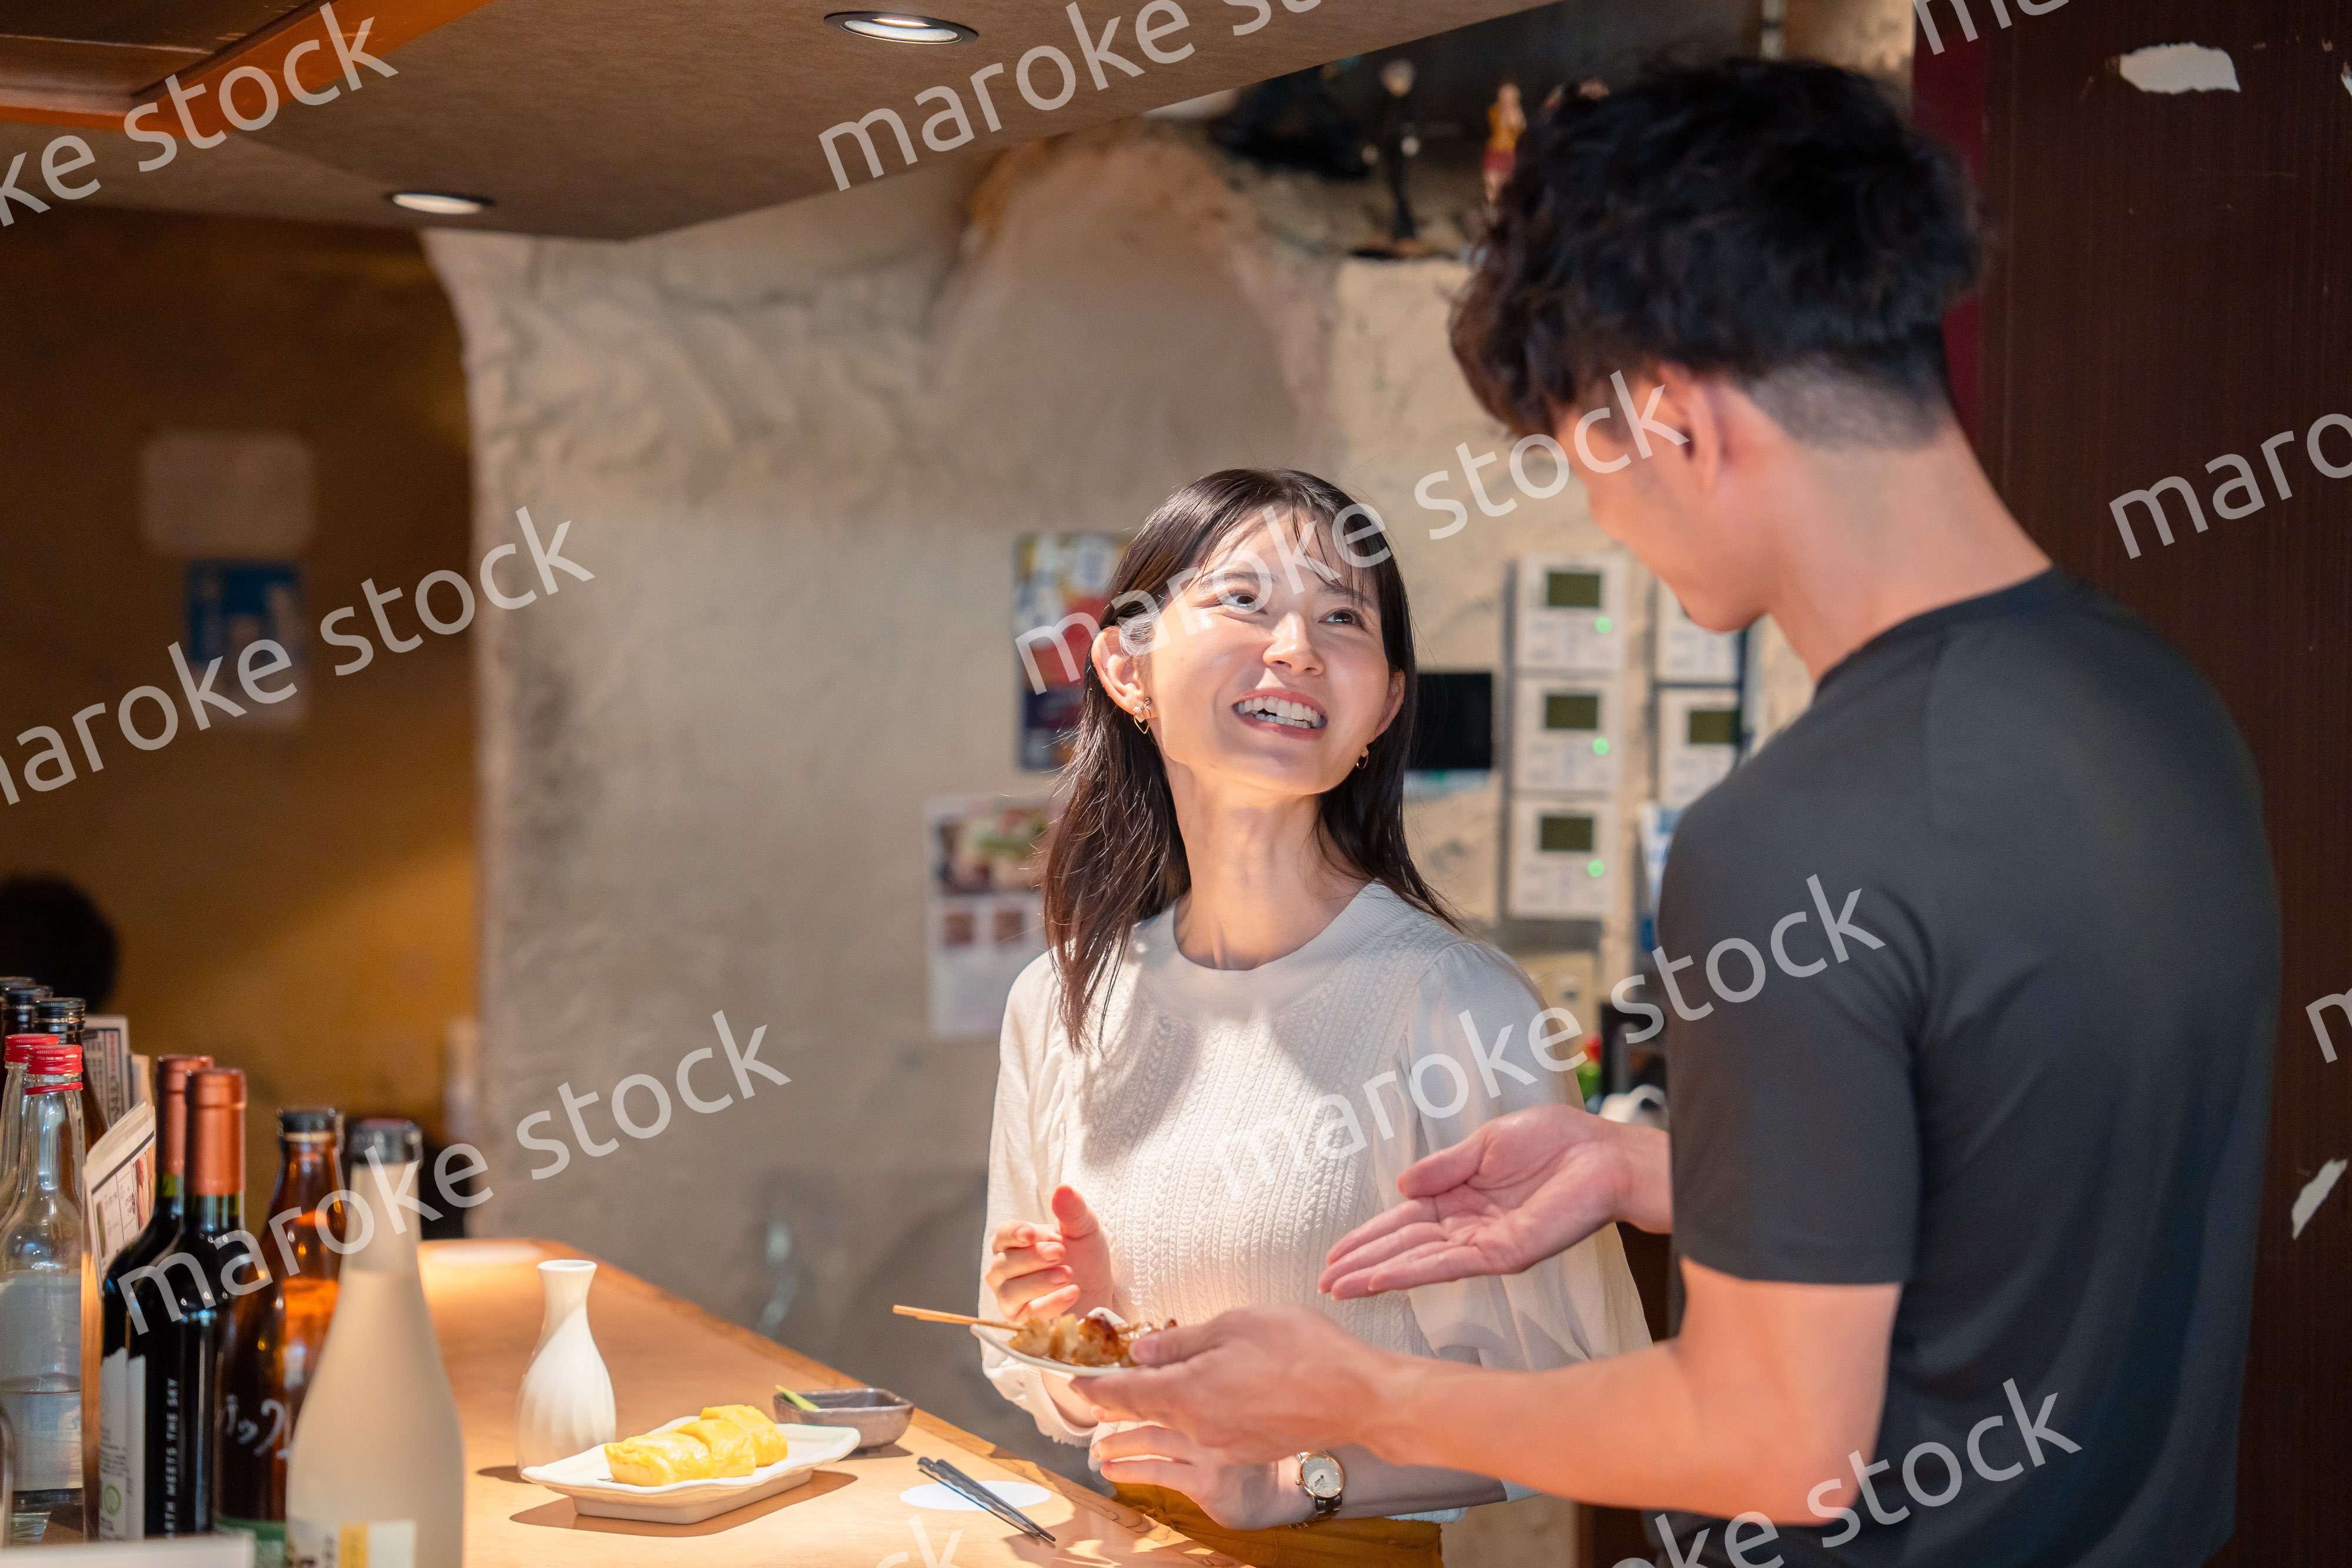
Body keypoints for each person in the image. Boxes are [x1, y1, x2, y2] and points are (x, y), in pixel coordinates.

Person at [1086, 60, 2280, 1568]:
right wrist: (1655, 1167)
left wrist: (1361, 1391)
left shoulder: (1789, 838)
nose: (1599, 513)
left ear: (1667, 417)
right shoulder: (2167, 711)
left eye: (1579, 451)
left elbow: (1776, 1446)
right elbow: (2025, 1188)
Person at [980, 469, 1649, 1560]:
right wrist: (1097, 1332)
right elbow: (1029, 1363)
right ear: (1125, 664)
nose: (1294, 646)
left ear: (1382, 706)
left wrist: (1301, 1482)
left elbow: (1592, 1409)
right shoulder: (1060, 1001)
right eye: (1244, 599)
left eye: (1343, 618)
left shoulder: (1456, 1005)